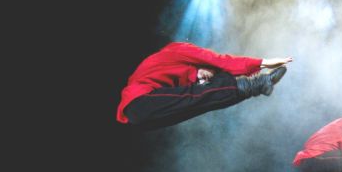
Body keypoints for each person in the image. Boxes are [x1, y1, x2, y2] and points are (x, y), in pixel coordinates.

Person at [116, 42, 292, 129]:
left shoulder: (181, 74)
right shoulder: (179, 50)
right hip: (139, 102)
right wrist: (263, 62)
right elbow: (221, 61)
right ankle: (256, 84)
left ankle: (254, 86)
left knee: (198, 103)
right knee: (200, 94)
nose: (206, 79)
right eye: (210, 74)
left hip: (142, 118)